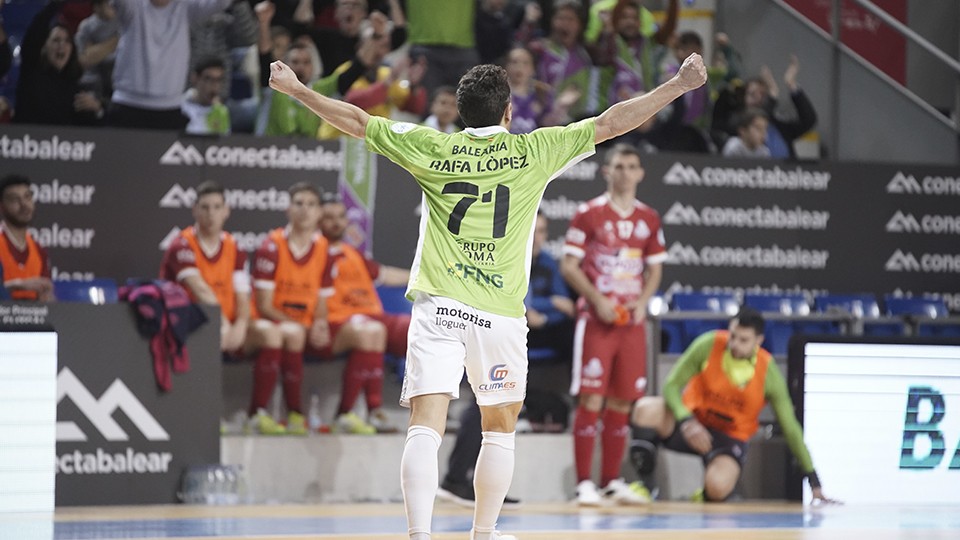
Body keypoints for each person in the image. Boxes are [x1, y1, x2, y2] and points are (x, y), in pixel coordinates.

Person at [267, 47, 705, 540]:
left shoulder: (432, 146)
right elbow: (609, 124)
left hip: (440, 305)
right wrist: (678, 86)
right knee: (498, 427)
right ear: (508, 112)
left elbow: (356, 120)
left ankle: (418, 535)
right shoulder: (534, 150)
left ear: (458, 111)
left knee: (425, 425)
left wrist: (298, 90)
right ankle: (483, 531)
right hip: (498, 315)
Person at [630, 307, 837, 504]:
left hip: (728, 438)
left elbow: (791, 428)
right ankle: (647, 487)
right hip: (692, 425)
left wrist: (814, 481)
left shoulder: (769, 373)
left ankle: (708, 493)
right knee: (645, 409)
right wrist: (686, 420)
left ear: (759, 341)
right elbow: (671, 386)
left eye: (743, 340)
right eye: (733, 336)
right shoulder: (709, 344)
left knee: (718, 488)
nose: (735, 344)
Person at [560, 143, 665, 506]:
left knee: (622, 401)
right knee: (592, 397)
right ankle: (584, 484)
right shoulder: (588, 214)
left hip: (631, 323)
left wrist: (642, 301)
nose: (624, 172)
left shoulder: (649, 218)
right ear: (606, 171)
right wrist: (598, 300)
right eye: (618, 165)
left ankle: (610, 481)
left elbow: (655, 268)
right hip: (597, 320)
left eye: (631, 166)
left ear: (640, 173)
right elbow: (569, 266)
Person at [317, 193, 410, 434]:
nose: (336, 222)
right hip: (339, 320)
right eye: (329, 218)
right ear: (318, 220)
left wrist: (426, 278)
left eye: (340, 216)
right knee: (371, 331)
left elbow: (384, 274)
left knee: (420, 330)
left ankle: (433, 408)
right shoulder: (315, 253)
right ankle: (352, 412)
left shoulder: (352, 253)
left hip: (372, 316)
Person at [247, 182, 330, 435]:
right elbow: (263, 305)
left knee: (295, 333)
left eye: (311, 204)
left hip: (300, 326)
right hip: (263, 322)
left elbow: (323, 297)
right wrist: (301, 325)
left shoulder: (324, 248)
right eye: (299, 203)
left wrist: (320, 322)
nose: (305, 210)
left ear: (319, 213)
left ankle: (295, 414)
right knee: (285, 333)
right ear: (288, 209)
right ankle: (256, 413)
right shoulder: (271, 247)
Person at [107, 0, 232, 130]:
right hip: (128, 104)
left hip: (170, 108)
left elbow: (221, 2)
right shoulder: (133, 6)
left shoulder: (186, 7)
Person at [159, 181, 250, 355]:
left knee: (270, 334)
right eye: (205, 207)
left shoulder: (235, 247)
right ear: (195, 210)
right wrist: (224, 324)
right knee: (218, 336)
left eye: (217, 207)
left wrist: (240, 326)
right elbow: (200, 290)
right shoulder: (182, 244)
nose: (211, 214)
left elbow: (243, 296)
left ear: (226, 210)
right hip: (192, 320)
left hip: (229, 322)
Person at [14, 2, 104, 125]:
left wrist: (97, 110)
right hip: (25, 142)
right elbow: (36, 29)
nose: (62, 45)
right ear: (44, 48)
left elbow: (88, 137)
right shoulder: (31, 71)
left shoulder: (75, 89)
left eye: (67, 41)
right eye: (56, 40)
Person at [0, 174, 54, 302]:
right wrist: (17, 286)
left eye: (27, 197)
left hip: (34, 317)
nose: (24, 204)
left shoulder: (39, 250)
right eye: (14, 199)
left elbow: (47, 300)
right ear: (1, 206)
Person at [182, 57, 232, 135]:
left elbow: (223, 144)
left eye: (218, 80)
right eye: (208, 79)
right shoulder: (180, 108)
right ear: (195, 78)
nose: (214, 85)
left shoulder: (221, 112)